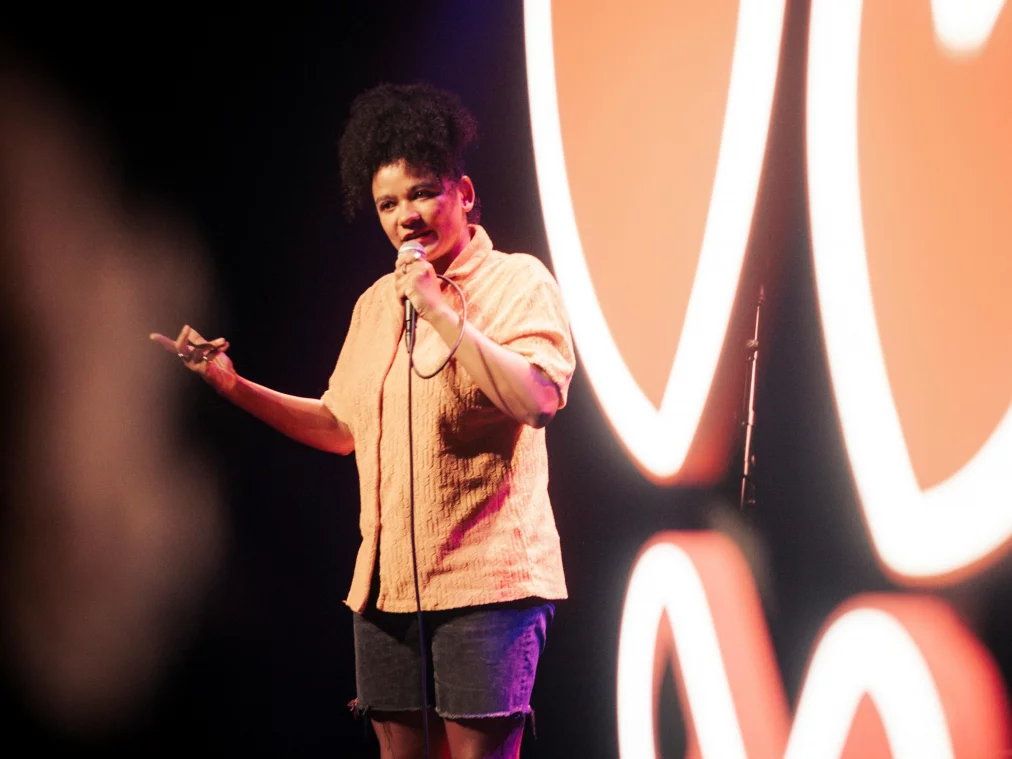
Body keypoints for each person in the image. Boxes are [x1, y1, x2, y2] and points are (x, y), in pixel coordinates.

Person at [151, 82, 575, 759]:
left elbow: (539, 399)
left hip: (487, 585)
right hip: (386, 589)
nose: (406, 216)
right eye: (388, 203)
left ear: (464, 194)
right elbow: (339, 426)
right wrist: (231, 385)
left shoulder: (517, 281)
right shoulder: (377, 303)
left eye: (422, 193)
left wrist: (440, 311)